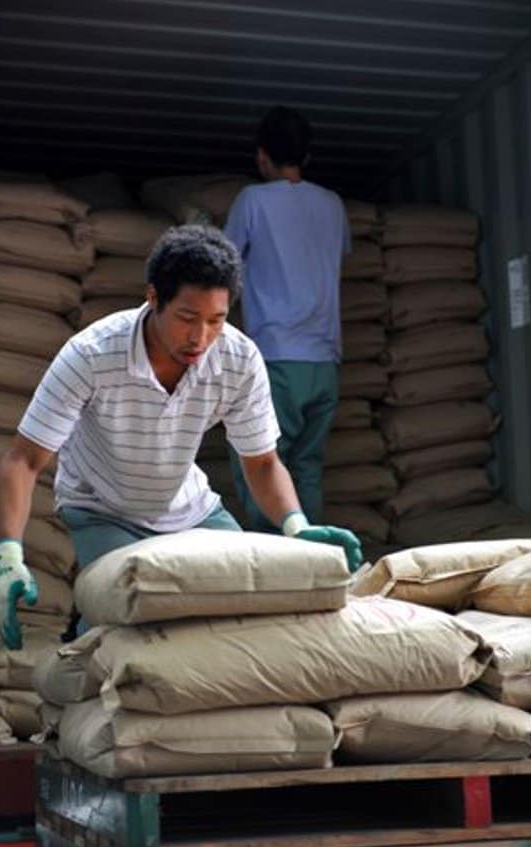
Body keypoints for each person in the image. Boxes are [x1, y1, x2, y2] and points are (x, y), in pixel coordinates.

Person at [0, 225, 362, 651]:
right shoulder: (91, 355)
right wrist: (7, 560)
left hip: (191, 510)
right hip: (101, 509)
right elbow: (23, 461)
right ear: (153, 299)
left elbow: (261, 463)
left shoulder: (238, 361)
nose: (200, 336)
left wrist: (296, 528)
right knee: (120, 631)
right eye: (187, 317)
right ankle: (84, 629)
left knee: (252, 613)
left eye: (216, 320)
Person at [224, 105, 350, 532]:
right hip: (325, 361)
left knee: (260, 462)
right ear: (307, 157)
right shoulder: (333, 204)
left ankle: (274, 563)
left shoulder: (252, 201)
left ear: (262, 157)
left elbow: (224, 264)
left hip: (277, 358)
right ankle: (316, 560)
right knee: (307, 467)